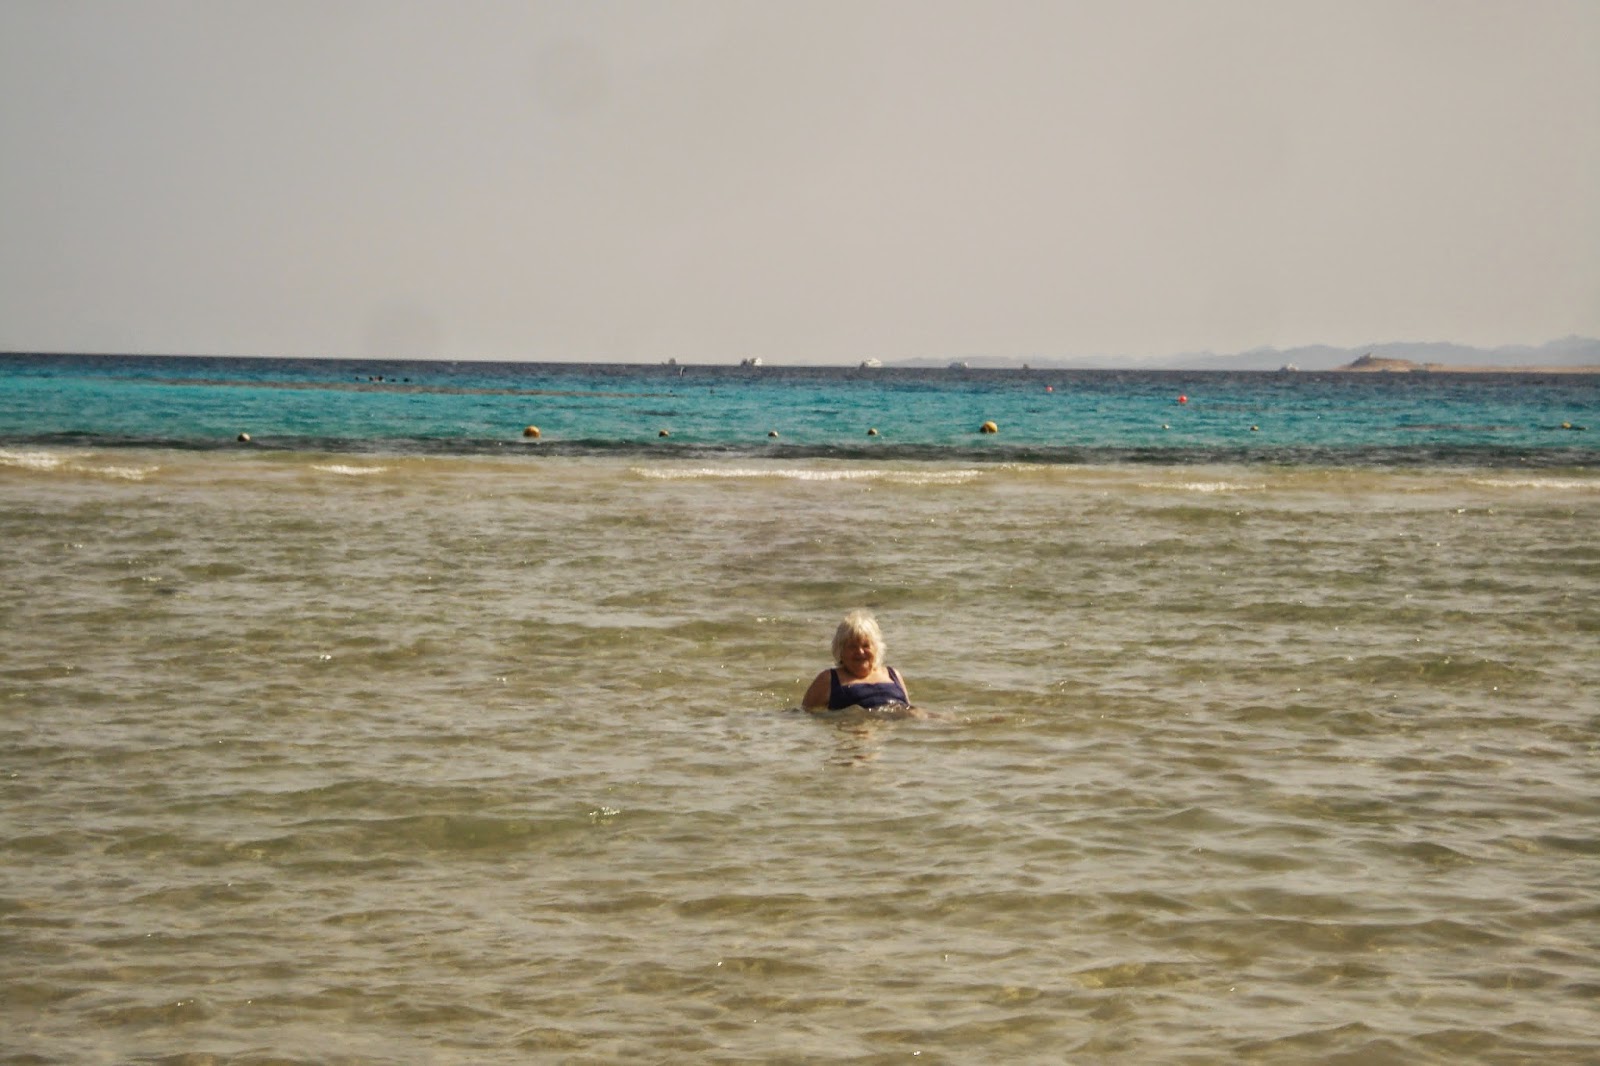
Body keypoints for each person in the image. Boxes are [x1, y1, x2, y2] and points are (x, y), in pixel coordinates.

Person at [802, 609, 915, 712]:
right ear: (840, 650)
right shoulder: (828, 679)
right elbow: (805, 714)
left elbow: (909, 708)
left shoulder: (893, 675)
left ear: (876, 648)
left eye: (866, 646)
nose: (860, 652)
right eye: (852, 646)